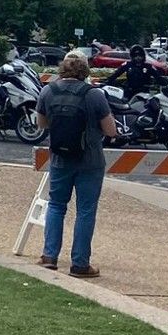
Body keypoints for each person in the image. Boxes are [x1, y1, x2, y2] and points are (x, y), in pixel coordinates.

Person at [36, 51, 117, 278]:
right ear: (85, 72)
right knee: (85, 211)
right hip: (90, 160)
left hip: (60, 159)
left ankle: (49, 256)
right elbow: (111, 130)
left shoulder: (47, 91)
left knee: (56, 205)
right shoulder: (94, 96)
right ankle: (80, 264)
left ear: (61, 70)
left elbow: (41, 124)